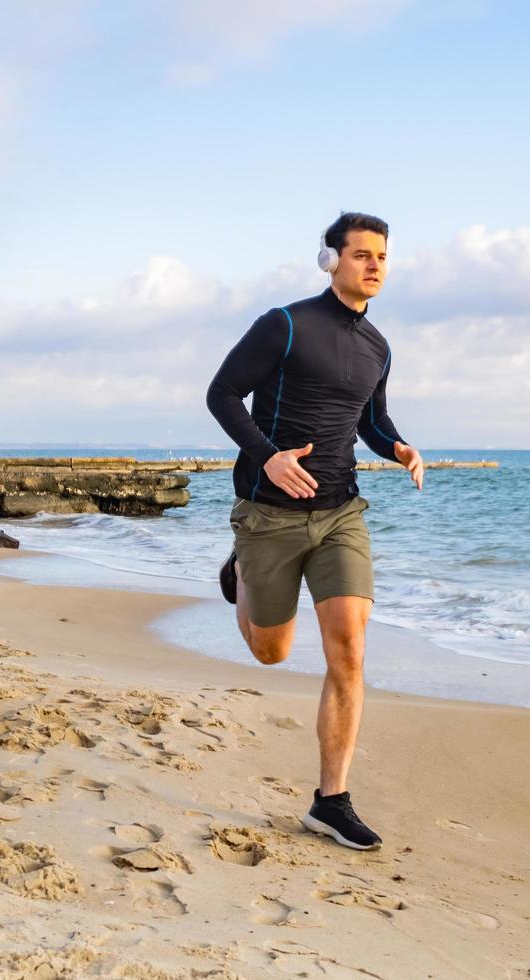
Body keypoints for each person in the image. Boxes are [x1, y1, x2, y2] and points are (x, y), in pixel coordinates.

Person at [205, 211, 424, 850]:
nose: (374, 266)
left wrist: (400, 448)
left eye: (382, 256)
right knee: (270, 651)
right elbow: (222, 394)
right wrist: (268, 453)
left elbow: (372, 422)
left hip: (340, 514)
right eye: (361, 255)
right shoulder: (285, 324)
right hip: (268, 512)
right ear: (331, 260)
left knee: (349, 650)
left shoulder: (378, 347)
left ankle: (331, 801)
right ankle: (241, 570)